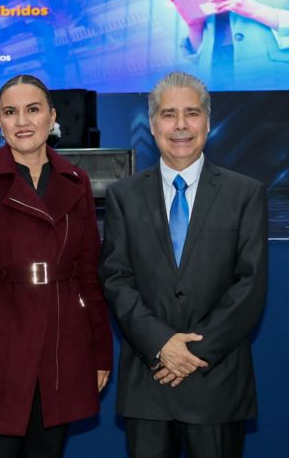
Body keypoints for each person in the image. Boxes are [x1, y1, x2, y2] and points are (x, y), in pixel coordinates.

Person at [98, 71, 268, 458]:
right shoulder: (123, 195)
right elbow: (116, 278)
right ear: (153, 123)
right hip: (149, 383)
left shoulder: (245, 194)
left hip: (217, 383)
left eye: (191, 113)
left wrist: (190, 354)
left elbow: (250, 285)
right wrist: (162, 345)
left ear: (208, 122)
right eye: (169, 114)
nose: (180, 125)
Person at [0, 74, 113, 458]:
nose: (22, 121)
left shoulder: (76, 180)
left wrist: (101, 353)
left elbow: (90, 274)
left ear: (52, 117)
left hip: (63, 344)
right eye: (10, 112)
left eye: (33, 110)